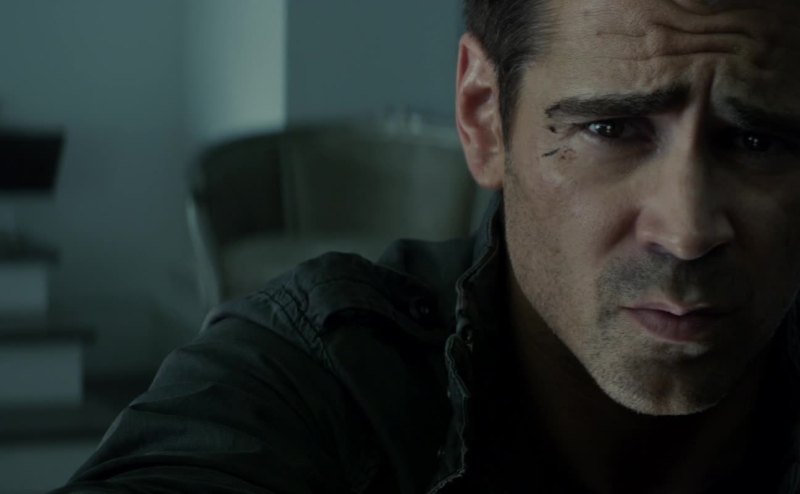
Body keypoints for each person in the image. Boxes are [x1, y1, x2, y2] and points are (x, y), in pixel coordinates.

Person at [54, 0, 800, 492]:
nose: (687, 231)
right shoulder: (323, 379)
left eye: (758, 141)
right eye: (610, 129)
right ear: (482, 117)